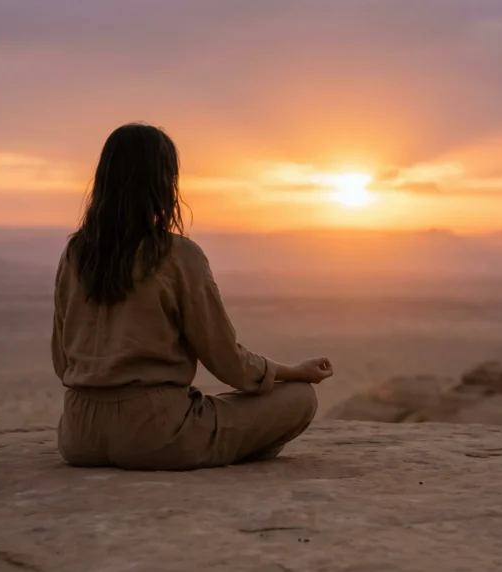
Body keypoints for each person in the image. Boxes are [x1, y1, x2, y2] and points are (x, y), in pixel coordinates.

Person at [51, 123, 332, 471]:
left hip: (79, 436)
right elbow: (227, 362)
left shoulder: (76, 253)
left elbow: (62, 362)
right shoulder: (177, 255)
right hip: (157, 434)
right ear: (164, 183)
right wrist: (291, 372)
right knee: (299, 399)